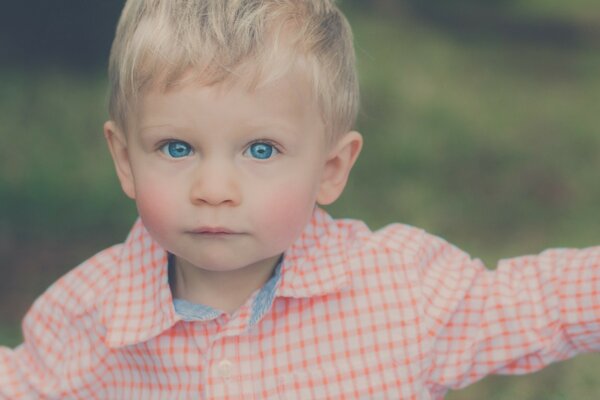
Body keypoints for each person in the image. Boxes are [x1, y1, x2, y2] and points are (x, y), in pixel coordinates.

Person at [1, 0, 598, 398]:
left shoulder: (398, 292)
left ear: (331, 168)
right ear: (125, 159)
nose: (213, 190)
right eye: (176, 148)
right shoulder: (87, 319)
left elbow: (529, 304)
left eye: (261, 151)